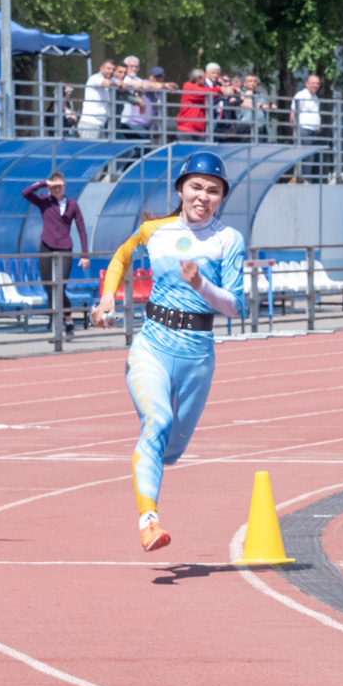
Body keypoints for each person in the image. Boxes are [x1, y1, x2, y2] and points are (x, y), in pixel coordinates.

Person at [89, 148, 248, 552]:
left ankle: (158, 475)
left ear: (221, 197)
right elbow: (121, 257)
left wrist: (200, 285)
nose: (203, 196)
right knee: (155, 422)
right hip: (152, 344)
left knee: (171, 451)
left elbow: (235, 306)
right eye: (196, 186)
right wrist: (108, 297)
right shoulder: (154, 231)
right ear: (180, 189)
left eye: (213, 190)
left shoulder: (228, 240)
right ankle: (148, 521)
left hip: (197, 356)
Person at [22, 170, 88, 330]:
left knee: (60, 285)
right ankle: (65, 319)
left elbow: (81, 229)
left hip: (65, 248)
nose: (57, 189)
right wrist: (45, 183)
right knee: (48, 285)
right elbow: (26, 193)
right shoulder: (44, 202)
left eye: (60, 186)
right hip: (46, 246)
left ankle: (63, 320)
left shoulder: (72, 204)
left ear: (65, 186)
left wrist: (84, 254)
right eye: (54, 187)